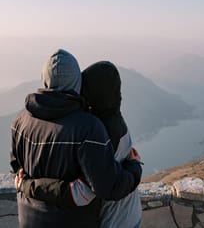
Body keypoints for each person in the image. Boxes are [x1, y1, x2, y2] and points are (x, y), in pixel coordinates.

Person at [10, 49, 142, 228]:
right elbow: (100, 188)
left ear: (44, 77)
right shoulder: (88, 127)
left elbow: (16, 169)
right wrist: (134, 167)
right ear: (77, 83)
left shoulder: (20, 120)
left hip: (29, 220)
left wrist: (27, 185)